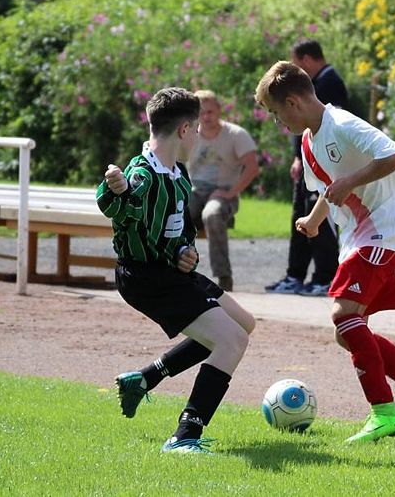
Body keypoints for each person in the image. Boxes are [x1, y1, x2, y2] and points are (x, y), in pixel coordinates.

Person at [254, 62, 395, 443]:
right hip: (361, 236)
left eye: (277, 112)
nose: (278, 122)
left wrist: (351, 180)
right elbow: (330, 189)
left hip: (385, 228)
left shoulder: (342, 124)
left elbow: (394, 156)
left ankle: (385, 412)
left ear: (293, 102)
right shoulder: (309, 141)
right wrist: (314, 220)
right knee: (348, 333)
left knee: (343, 314)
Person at [97, 87, 256, 454]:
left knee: (243, 323)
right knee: (232, 341)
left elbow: (181, 229)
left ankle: (143, 379)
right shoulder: (142, 174)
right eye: (196, 129)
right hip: (147, 278)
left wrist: (187, 252)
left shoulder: (177, 173)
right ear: (185, 130)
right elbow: (121, 209)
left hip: (172, 272)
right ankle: (185, 435)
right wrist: (115, 190)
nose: (198, 136)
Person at [266, 39, 345, 297]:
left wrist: (307, 158)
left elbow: (322, 127)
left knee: (320, 219)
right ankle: (295, 275)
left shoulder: (328, 83)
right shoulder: (314, 83)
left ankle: (325, 277)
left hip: (322, 164)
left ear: (307, 59)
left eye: (297, 63)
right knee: (301, 217)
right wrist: (298, 156)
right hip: (308, 160)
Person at [187, 90, 259, 292]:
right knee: (177, 213)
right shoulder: (189, 134)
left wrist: (231, 193)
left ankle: (223, 277)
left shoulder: (236, 134)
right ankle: (176, 272)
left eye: (210, 112)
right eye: (201, 113)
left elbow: (252, 167)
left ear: (219, 110)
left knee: (212, 214)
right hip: (195, 190)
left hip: (223, 191)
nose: (206, 117)